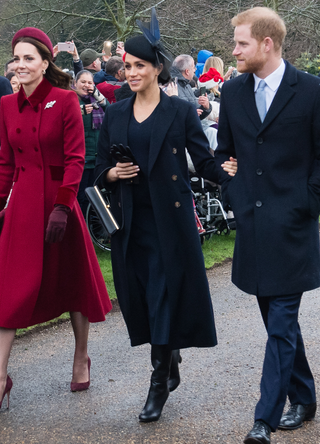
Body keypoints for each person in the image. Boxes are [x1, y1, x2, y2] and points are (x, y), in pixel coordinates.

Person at [95, 8, 237, 423]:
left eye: (139, 66)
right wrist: (111, 172)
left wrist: (228, 169)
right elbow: (99, 167)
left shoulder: (179, 111)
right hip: (129, 221)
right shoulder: (117, 112)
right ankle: (169, 354)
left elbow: (203, 161)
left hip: (169, 222)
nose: (130, 73)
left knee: (160, 294)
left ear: (157, 68)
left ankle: (157, 383)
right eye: (127, 67)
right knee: (139, 296)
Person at [214, 7, 320, 444]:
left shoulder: (312, 91)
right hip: (253, 227)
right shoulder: (234, 92)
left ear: (266, 44)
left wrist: (306, 203)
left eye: (240, 43)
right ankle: (307, 395)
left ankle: (265, 419)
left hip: (293, 227)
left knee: (280, 322)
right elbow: (223, 153)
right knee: (279, 321)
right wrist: (232, 187)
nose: (233, 51)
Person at [0, 27, 112, 410]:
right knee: (8, 288)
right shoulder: (5, 105)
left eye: (29, 57)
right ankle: (0, 376)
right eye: (17, 58)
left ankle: (81, 357)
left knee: (72, 283)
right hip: (22, 208)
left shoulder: (65, 100)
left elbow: (76, 159)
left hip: (59, 205)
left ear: (46, 63)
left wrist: (64, 207)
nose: (21, 64)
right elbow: (5, 163)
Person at [75, 70, 108, 216]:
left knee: (95, 198)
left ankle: (94, 230)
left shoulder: (97, 101)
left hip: (96, 158)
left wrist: (96, 93)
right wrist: (77, 112)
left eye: (90, 83)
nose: (86, 85)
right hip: (80, 159)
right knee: (80, 197)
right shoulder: (72, 101)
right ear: (75, 83)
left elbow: (110, 109)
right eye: (83, 82)